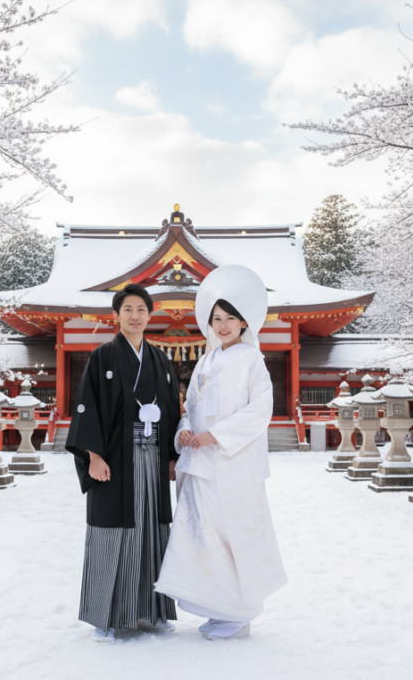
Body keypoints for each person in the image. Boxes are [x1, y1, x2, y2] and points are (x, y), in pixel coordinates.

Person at [155, 265, 288, 641]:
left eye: (230, 318)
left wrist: (215, 435)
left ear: (245, 322)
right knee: (201, 536)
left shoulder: (252, 360)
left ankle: (239, 612)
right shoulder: (206, 360)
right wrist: (184, 432)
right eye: (217, 318)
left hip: (232, 463)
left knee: (231, 537)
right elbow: (190, 408)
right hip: (200, 464)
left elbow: (260, 410)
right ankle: (217, 607)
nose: (223, 325)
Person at [66, 283, 182, 642]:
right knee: (115, 528)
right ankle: (112, 612)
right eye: (128, 310)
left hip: (152, 456)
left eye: (141, 310)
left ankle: (150, 609)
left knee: (151, 528)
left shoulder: (161, 360)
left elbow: (173, 411)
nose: (135, 316)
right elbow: (87, 405)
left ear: (150, 315)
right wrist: (93, 456)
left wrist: (172, 457)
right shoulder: (103, 357)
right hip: (115, 458)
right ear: (116, 316)